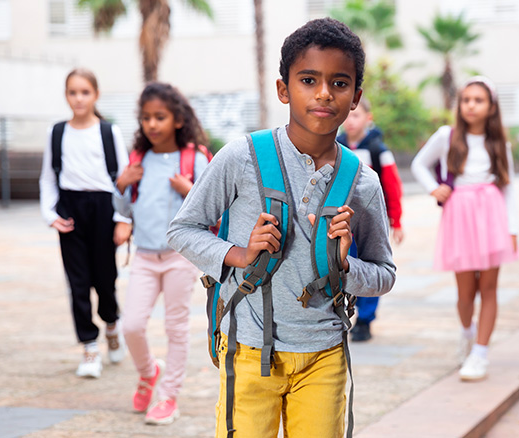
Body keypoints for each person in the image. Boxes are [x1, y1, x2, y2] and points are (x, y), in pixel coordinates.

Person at [167, 18, 396, 438]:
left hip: (325, 354)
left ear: (355, 97)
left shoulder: (362, 182)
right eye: (309, 79)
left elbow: (384, 274)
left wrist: (345, 266)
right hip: (250, 345)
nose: (324, 93)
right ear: (284, 89)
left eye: (339, 83)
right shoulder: (241, 158)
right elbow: (183, 229)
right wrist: (238, 254)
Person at [113, 82, 209, 424]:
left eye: (160, 117)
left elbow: (212, 207)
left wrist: (190, 190)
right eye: (146, 118)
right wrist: (122, 184)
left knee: (176, 328)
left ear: (177, 120)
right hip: (144, 256)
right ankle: (148, 372)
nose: (152, 124)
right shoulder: (139, 159)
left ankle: (169, 396)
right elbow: (124, 208)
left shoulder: (194, 158)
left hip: (179, 258)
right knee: (131, 326)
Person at [411, 76, 518, 381]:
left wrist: (513, 229)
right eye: (466, 99)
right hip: (460, 216)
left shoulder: (499, 143)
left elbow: (510, 189)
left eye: (479, 100)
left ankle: (481, 353)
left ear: (491, 106)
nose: (471, 105)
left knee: (489, 288)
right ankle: (467, 332)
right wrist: (435, 189)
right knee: (465, 291)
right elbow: (419, 164)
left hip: (492, 217)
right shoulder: (448, 136)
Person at [39, 68, 130, 379]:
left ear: (96, 95)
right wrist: (51, 215)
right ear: (67, 96)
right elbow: (48, 178)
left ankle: (112, 323)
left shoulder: (108, 132)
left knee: (105, 280)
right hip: (71, 211)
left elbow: (123, 179)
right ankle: (90, 347)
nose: (79, 98)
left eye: (85, 92)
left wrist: (122, 219)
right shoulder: (57, 133)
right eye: (73, 92)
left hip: (103, 209)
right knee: (77, 283)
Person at [337, 96, 404, 342]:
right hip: (343, 223)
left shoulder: (378, 150)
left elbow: (392, 186)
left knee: (371, 265)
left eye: (356, 115)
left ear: (368, 118)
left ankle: (365, 318)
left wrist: (396, 220)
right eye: (348, 115)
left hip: (371, 222)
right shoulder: (335, 146)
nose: (351, 121)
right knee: (345, 264)